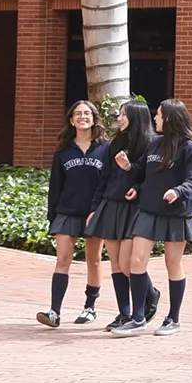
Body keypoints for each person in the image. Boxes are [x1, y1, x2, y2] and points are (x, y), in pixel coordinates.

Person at [112, 99, 192, 338]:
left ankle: (173, 318)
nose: (155, 119)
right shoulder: (154, 143)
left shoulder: (188, 146)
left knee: (172, 263)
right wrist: (128, 170)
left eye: (159, 115)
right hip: (148, 210)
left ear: (171, 118)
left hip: (176, 213)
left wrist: (177, 191)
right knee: (136, 261)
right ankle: (138, 318)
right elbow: (142, 173)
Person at [37, 101, 109, 328]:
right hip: (67, 212)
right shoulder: (63, 151)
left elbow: (109, 183)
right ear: (71, 120)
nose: (82, 117)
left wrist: (100, 210)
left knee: (94, 260)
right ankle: (54, 311)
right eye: (78, 114)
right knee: (62, 259)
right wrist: (52, 218)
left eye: (87, 113)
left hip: (94, 213)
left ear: (94, 118)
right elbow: (55, 187)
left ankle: (90, 307)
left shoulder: (106, 148)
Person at [87, 100, 152, 331]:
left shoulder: (150, 144)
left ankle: (149, 297)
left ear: (136, 117)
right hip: (110, 205)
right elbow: (104, 178)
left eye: (124, 114)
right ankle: (124, 313)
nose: (120, 118)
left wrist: (137, 185)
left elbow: (150, 178)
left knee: (127, 263)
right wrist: (95, 207)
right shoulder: (116, 143)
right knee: (115, 263)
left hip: (133, 208)